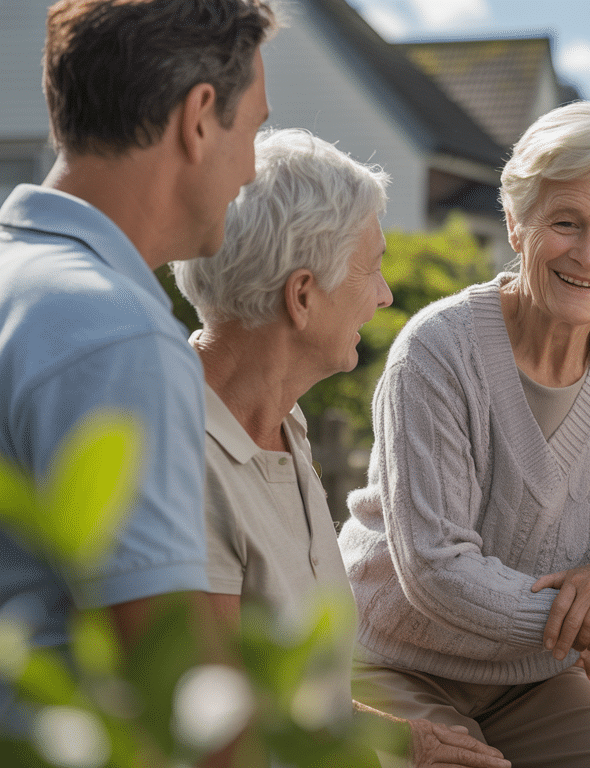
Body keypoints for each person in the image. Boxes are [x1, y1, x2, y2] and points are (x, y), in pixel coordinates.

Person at [338, 101, 590, 768]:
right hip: (392, 661)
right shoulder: (437, 351)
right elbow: (437, 570)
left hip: (532, 677)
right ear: (516, 224)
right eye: (565, 222)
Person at [172, 128, 508, 768]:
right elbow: (211, 733)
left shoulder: (281, 423)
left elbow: (285, 691)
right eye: (372, 266)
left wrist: (402, 738)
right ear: (301, 297)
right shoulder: (184, 463)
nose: (385, 295)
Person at [0, 0, 273, 734]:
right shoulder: (119, 336)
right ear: (199, 117)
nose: (250, 168)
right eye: (254, 129)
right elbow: (180, 691)